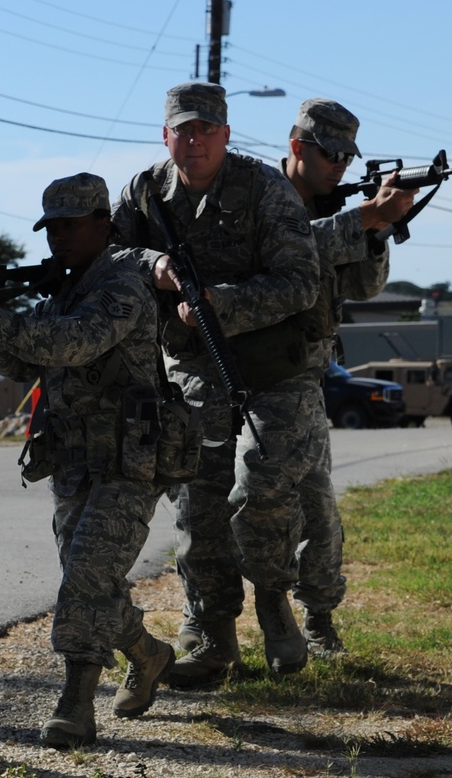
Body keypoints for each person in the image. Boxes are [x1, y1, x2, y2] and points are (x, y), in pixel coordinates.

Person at [113, 82, 320, 686]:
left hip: (273, 369)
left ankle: (276, 599)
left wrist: (217, 303)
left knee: (260, 490)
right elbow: (108, 259)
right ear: (166, 135)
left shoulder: (264, 188)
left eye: (207, 129)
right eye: (184, 129)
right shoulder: (146, 192)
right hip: (193, 369)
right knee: (196, 500)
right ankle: (211, 631)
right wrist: (152, 267)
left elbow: (300, 281)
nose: (195, 140)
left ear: (227, 135)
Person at [0, 173, 174, 746]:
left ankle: (75, 702)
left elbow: (72, 344)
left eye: (71, 225)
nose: (59, 237)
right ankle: (148, 653)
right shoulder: (64, 291)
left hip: (128, 461)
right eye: (51, 228)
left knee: (87, 574)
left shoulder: (122, 285)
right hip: (73, 459)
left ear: (103, 225)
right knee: (90, 579)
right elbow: (27, 364)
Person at [282, 98, 415, 656]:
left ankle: (318, 616)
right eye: (328, 152)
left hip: (303, 377)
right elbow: (280, 253)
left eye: (346, 155)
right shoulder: (262, 200)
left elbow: (364, 287)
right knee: (227, 505)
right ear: (297, 147)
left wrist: (380, 229)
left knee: (317, 505)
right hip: (232, 371)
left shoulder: (335, 207)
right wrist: (363, 218)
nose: (338, 164)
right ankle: (215, 625)